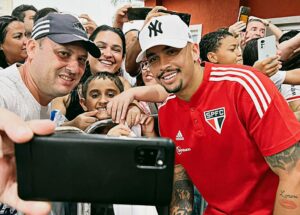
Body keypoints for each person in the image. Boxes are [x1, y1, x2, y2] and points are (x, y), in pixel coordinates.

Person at [109, 14, 300, 214]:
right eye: (154, 58)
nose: (163, 65)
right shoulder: (166, 111)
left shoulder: (244, 86)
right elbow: (180, 183)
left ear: (194, 51)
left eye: (171, 51)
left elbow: (293, 173)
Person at [0, 12, 100, 214]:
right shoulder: (5, 90)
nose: (74, 67)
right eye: (63, 53)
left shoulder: (45, 96)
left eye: (81, 59)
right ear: (32, 49)